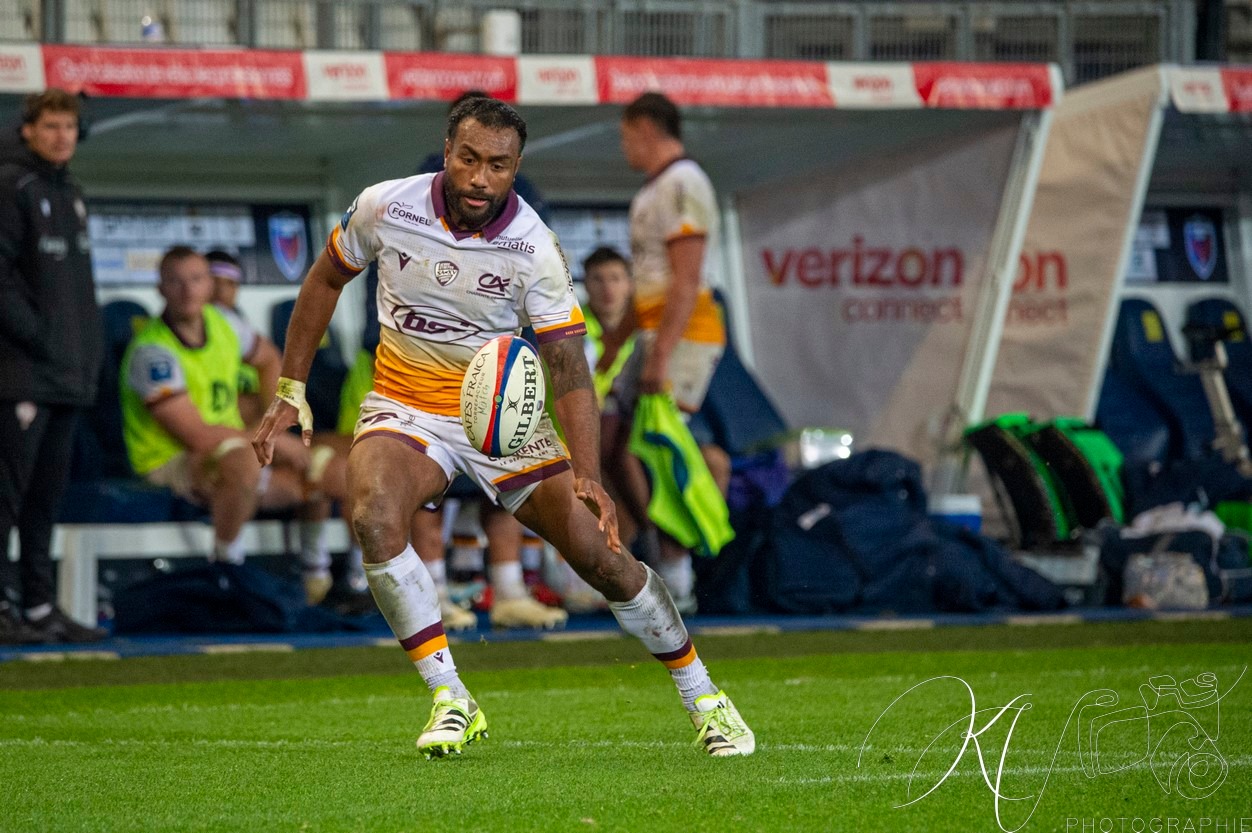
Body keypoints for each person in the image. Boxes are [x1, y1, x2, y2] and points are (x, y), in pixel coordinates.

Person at [253, 96, 754, 758]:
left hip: (504, 418)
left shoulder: (534, 247)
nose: (479, 178)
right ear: (447, 149)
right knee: (373, 515)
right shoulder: (385, 205)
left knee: (600, 555)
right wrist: (290, 388)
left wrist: (588, 473)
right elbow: (324, 279)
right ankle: (449, 694)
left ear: (516, 167)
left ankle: (706, 697)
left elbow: (568, 363)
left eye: (497, 165)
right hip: (407, 404)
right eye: (468, 158)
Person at [121, 246, 350, 604]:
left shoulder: (223, 323)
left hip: (232, 446)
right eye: (176, 282)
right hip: (171, 459)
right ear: (160, 288)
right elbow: (196, 436)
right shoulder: (152, 351)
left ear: (208, 284)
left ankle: (318, 579)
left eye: (196, 279)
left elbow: (271, 359)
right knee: (241, 459)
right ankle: (227, 572)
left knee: (323, 465)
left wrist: (271, 418)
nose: (188, 290)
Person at [617, 92, 732, 613]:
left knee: (659, 453)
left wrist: (661, 356)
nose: (624, 149)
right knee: (625, 448)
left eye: (625, 136)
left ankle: (678, 577)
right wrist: (615, 346)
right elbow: (648, 285)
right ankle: (660, 567)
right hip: (654, 336)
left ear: (645, 128)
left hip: (684, 339)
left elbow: (685, 282)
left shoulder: (685, 183)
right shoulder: (653, 191)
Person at [0, 89, 105, 644]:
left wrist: (83, 356)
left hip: (66, 377)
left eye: (69, 126)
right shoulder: (11, 185)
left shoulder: (72, 192)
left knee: (45, 500)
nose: (62, 135)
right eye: (51, 125)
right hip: (22, 375)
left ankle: (39, 607)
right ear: (28, 130)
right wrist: (39, 338)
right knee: (7, 498)